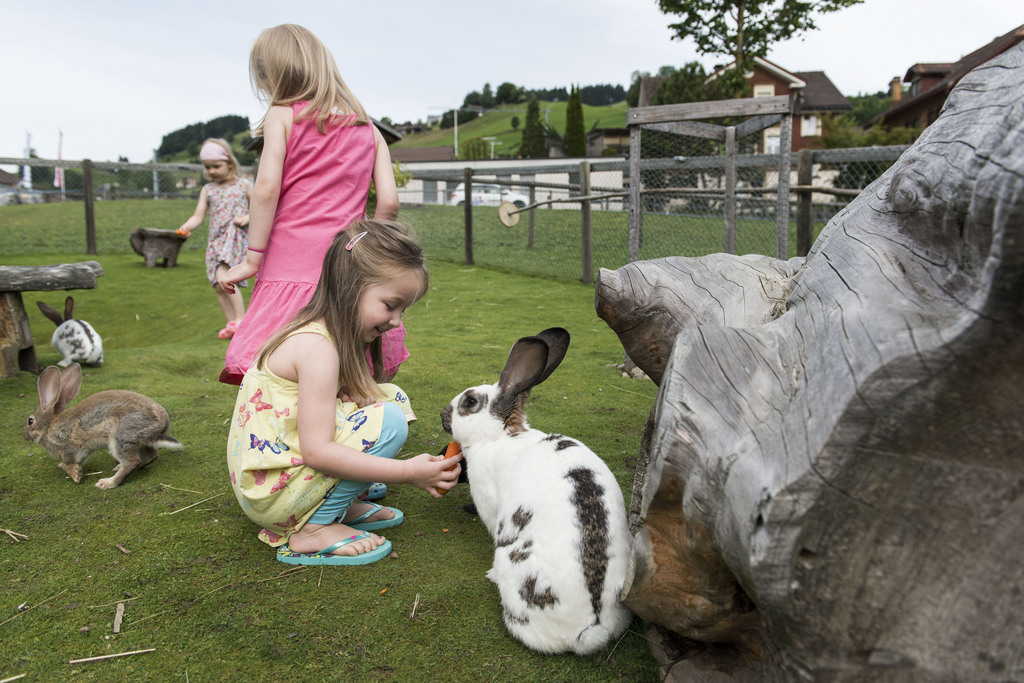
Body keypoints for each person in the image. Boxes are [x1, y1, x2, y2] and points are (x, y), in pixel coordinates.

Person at [227, 221, 461, 566]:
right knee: (390, 420)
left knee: (388, 397)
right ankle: (313, 529)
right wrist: (407, 471)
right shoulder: (318, 348)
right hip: (273, 497)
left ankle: (333, 503)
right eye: (390, 304)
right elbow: (318, 452)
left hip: (271, 484)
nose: (396, 321)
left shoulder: (318, 332)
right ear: (350, 287)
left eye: (403, 310)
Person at [219, 23, 402, 386]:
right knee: (344, 360)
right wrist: (373, 253)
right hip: (347, 263)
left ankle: (290, 434)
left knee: (281, 363)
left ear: (271, 74)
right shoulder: (369, 128)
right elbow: (390, 202)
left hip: (288, 264)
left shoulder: (282, 115)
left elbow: (266, 188)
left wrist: (252, 258)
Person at [176, 138, 252, 339]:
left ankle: (240, 320)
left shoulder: (243, 185)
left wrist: (246, 217)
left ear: (229, 163)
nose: (211, 171)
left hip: (235, 240)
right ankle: (231, 324)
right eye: (207, 167)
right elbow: (198, 216)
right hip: (216, 242)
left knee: (225, 277)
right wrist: (186, 226)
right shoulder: (208, 190)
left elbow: (260, 209)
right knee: (218, 286)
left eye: (216, 166)